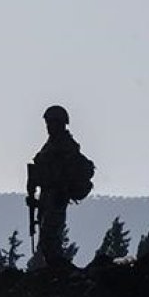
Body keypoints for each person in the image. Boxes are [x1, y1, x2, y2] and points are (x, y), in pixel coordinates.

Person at [26, 105, 92, 269]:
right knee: (46, 240)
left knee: (50, 240)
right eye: (48, 123)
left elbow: (64, 173)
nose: (49, 127)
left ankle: (60, 273)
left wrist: (59, 189)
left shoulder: (65, 146)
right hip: (48, 196)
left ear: (60, 123)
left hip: (57, 196)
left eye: (52, 123)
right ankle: (54, 272)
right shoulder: (51, 145)